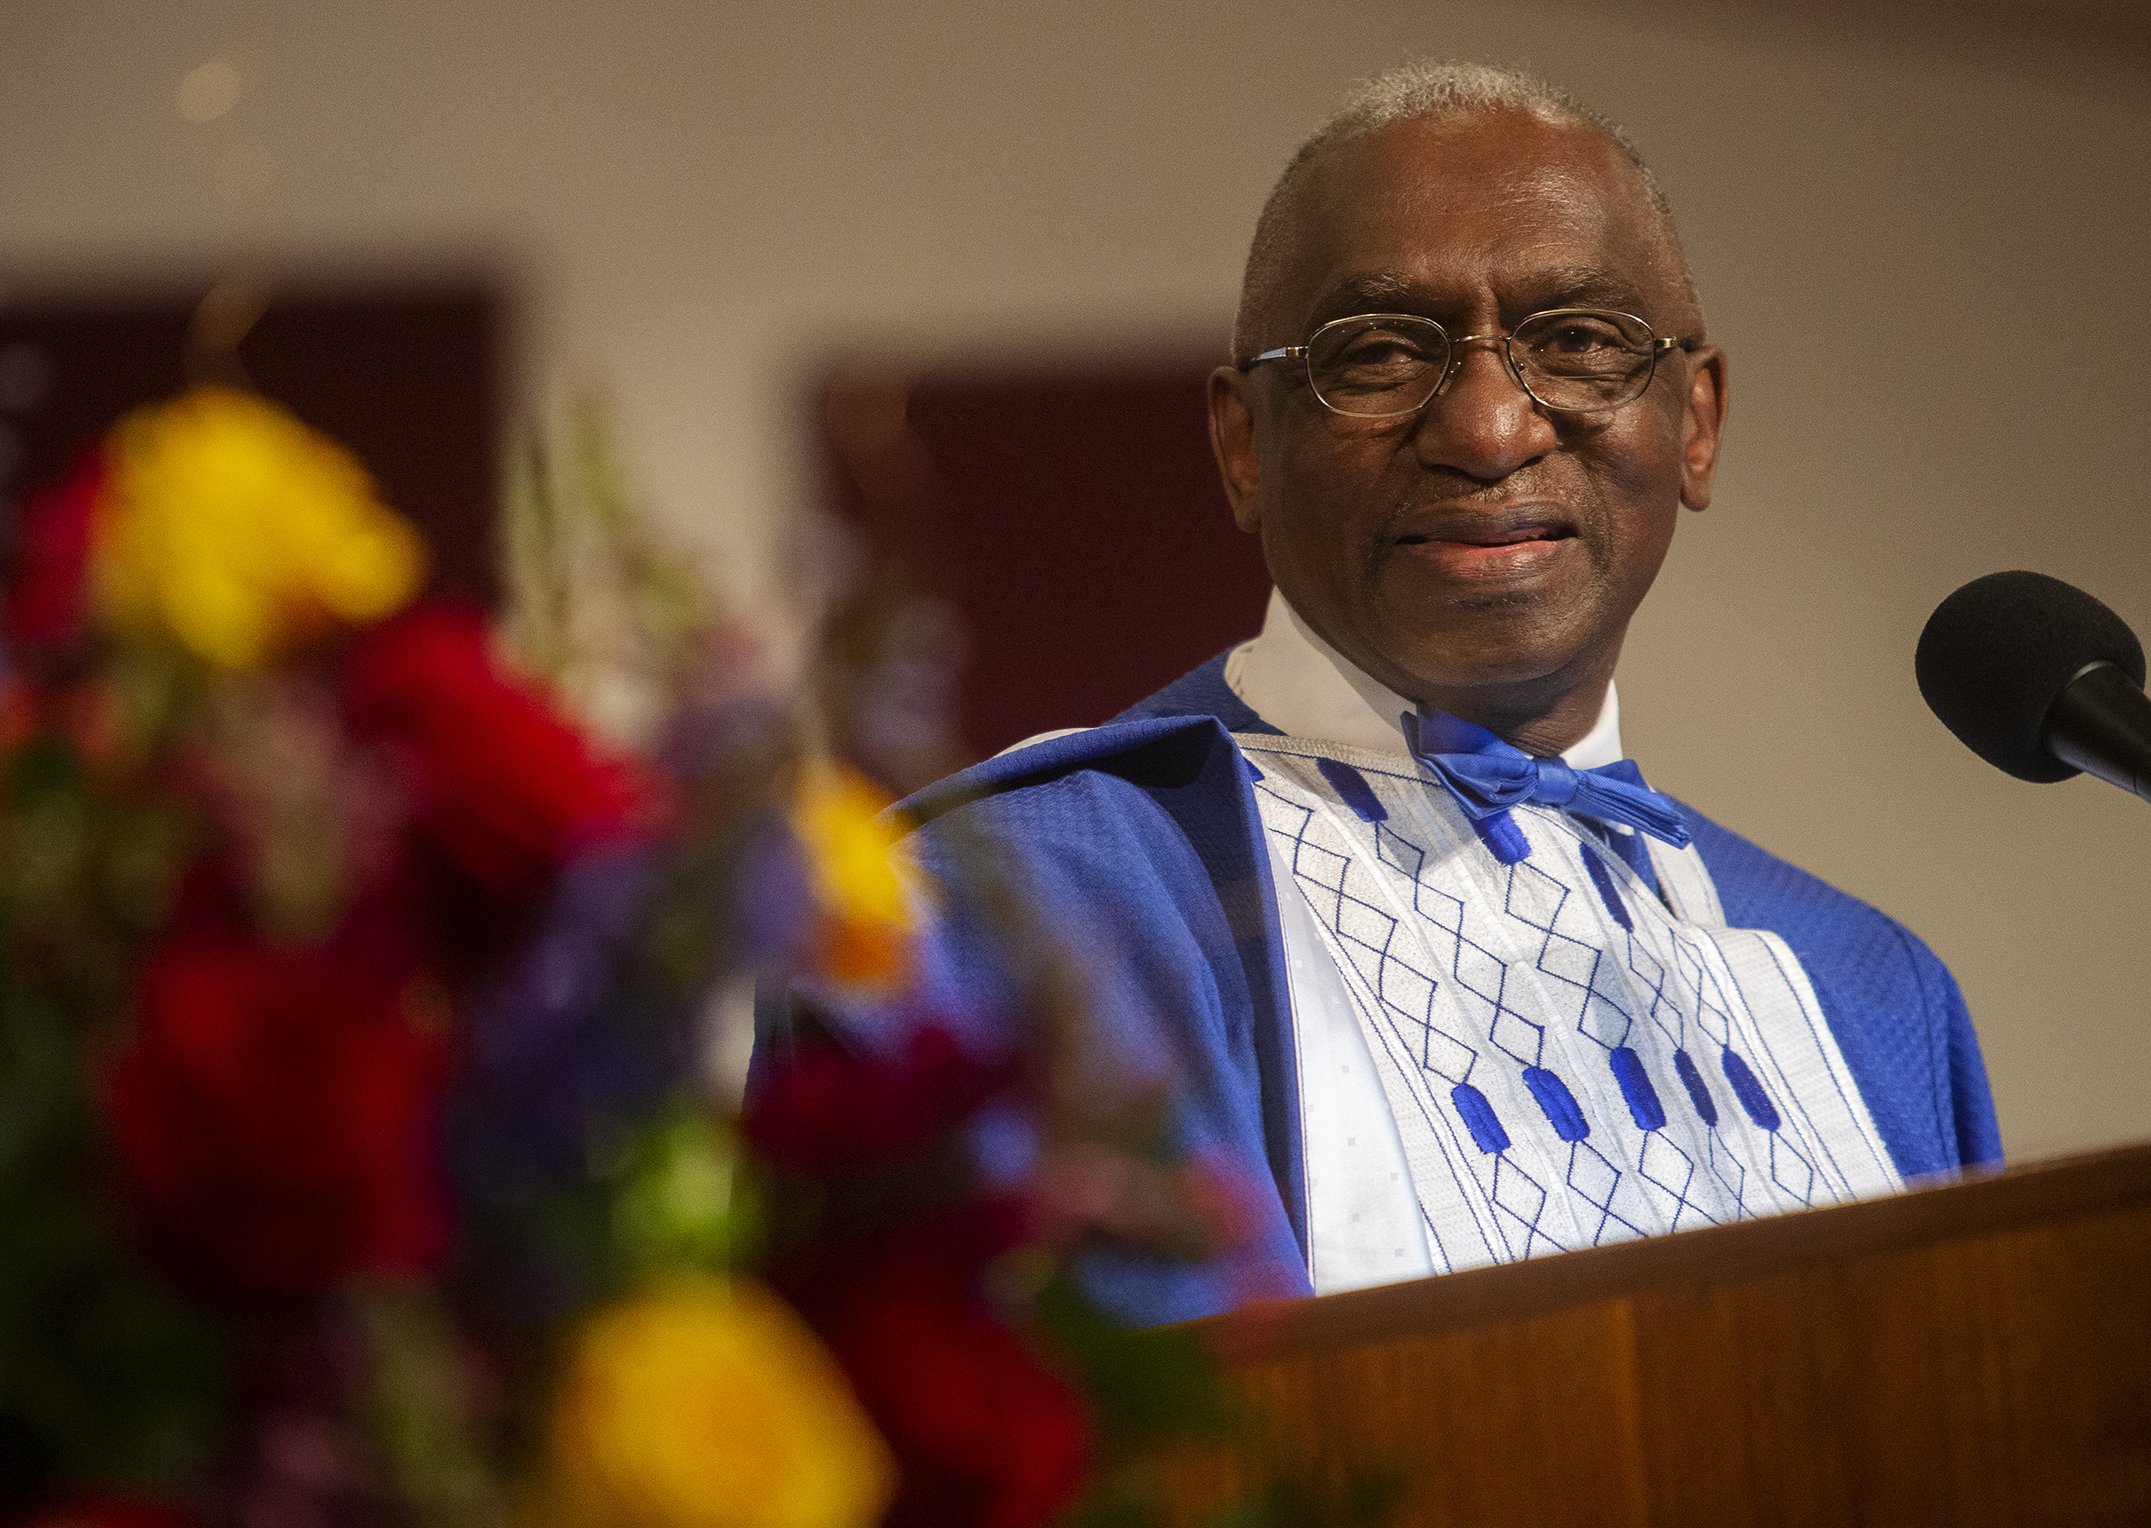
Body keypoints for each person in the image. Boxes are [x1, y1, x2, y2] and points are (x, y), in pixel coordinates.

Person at [771, 62, 2001, 1327]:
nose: (1487, 426)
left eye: (1577, 342)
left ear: (1695, 422)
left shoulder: (1874, 992)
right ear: (1242, 443)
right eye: (1378, 353)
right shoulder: (1013, 907)